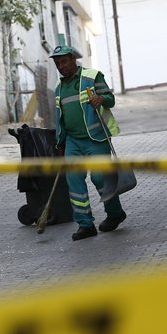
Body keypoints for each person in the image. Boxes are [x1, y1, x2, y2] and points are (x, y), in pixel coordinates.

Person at [51, 44, 127, 241]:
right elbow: (61, 117)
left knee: (100, 178)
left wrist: (101, 99)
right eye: (58, 63)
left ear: (73, 59)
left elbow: (110, 99)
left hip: (95, 138)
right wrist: (60, 142)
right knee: (74, 180)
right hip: (72, 142)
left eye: (64, 61)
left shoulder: (92, 77)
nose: (61, 66)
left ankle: (115, 214)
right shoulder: (59, 88)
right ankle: (85, 225)